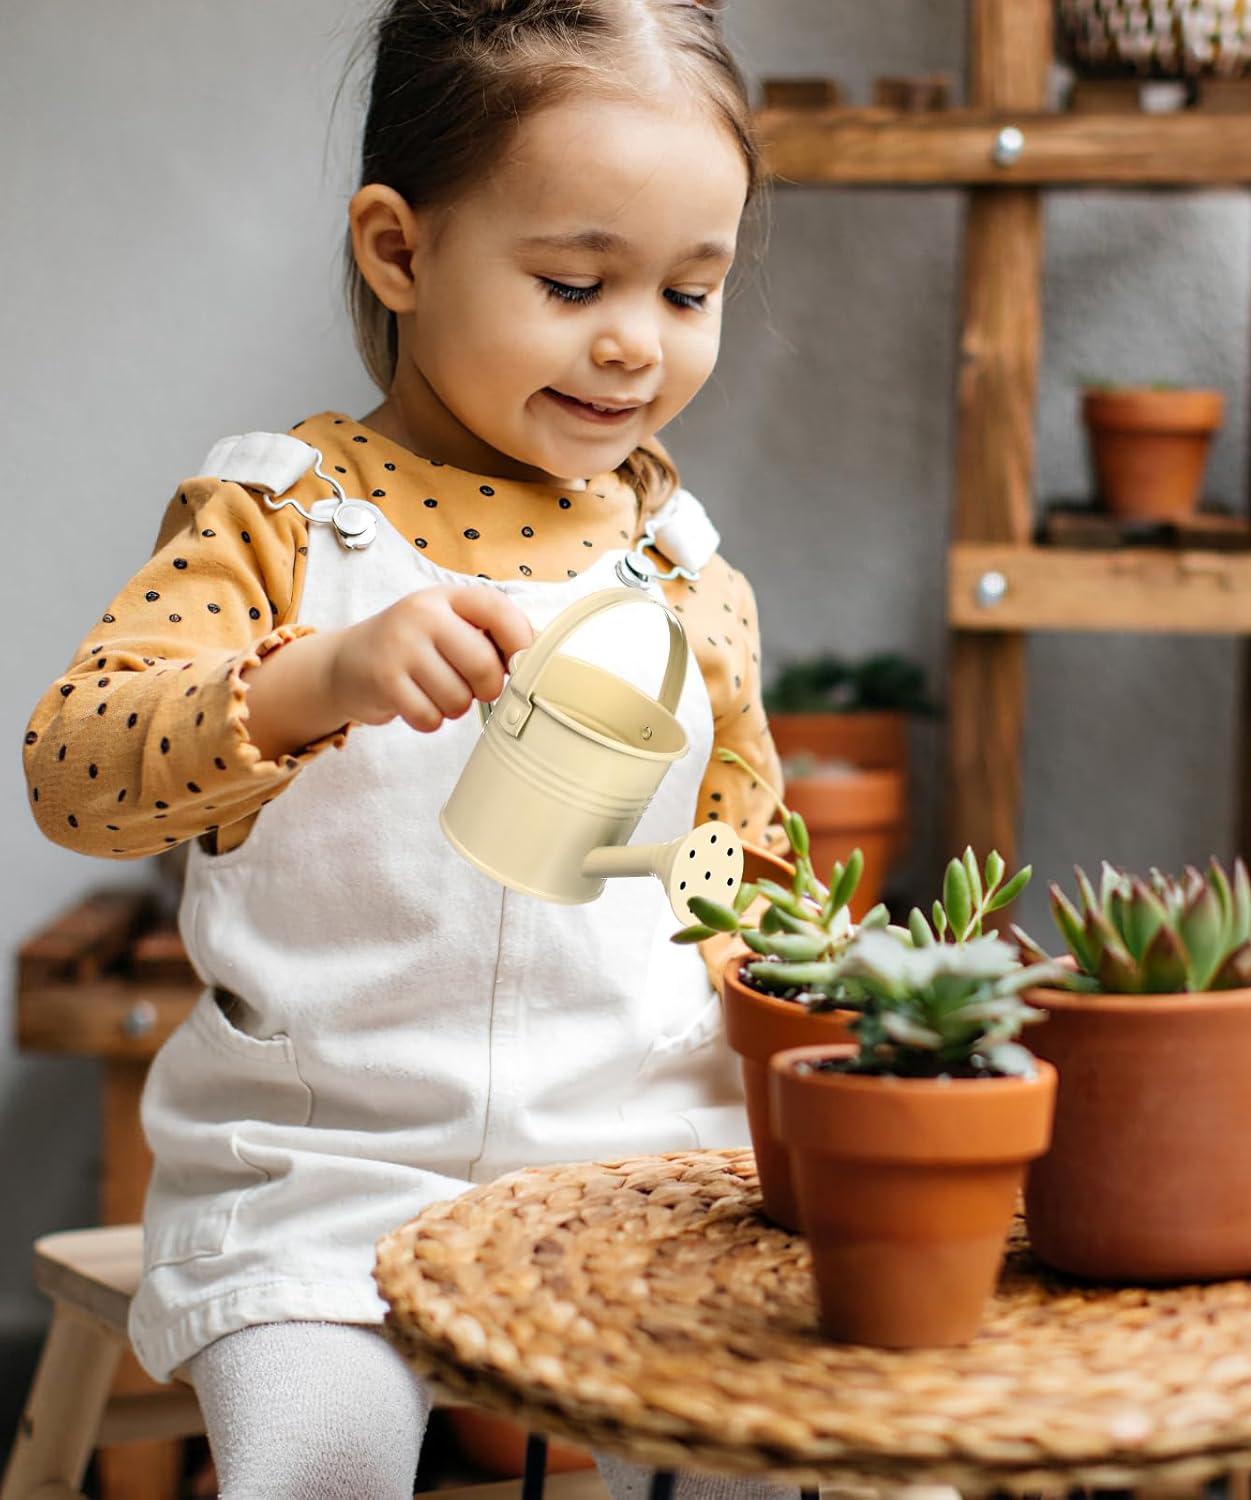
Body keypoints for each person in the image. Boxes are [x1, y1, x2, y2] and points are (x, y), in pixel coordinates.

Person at [21, 2, 792, 1494]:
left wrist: (800, 989)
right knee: (320, 1463)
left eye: (689, 291)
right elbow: (74, 772)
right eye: (573, 283)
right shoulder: (280, 527)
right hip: (318, 1185)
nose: (635, 341)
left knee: (818, 1447)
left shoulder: (690, 579)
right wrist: (315, 680)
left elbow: (734, 868)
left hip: (639, 1173)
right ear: (399, 249)